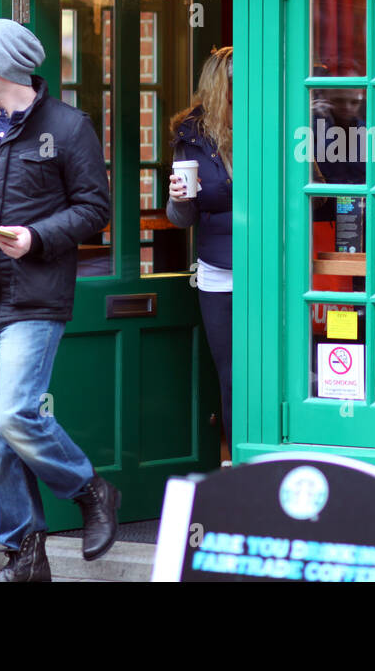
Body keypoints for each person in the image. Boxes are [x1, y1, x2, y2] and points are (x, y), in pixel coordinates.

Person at [0, 18, 119, 583]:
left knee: (15, 413)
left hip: (34, 296)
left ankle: (90, 490)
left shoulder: (67, 127)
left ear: (4, 65)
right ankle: (25, 557)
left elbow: (94, 208)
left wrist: (37, 237)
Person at [167, 47, 235, 456]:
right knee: (230, 373)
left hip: (271, 267)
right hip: (219, 270)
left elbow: (313, 196)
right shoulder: (190, 137)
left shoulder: (272, 120)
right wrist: (179, 199)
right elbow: (182, 218)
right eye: (234, 84)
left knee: (273, 371)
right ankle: (238, 464)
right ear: (217, 87)